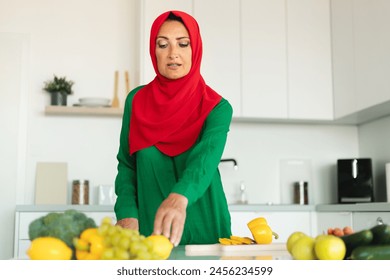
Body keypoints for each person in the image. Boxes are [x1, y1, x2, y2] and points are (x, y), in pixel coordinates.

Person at [114, 10, 232, 247]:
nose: (173, 54)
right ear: (153, 51)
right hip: (150, 233)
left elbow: (204, 162)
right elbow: (127, 165)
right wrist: (126, 211)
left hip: (207, 233)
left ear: (195, 49)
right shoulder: (136, 101)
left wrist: (179, 198)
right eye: (162, 44)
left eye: (183, 44)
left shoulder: (217, 107)